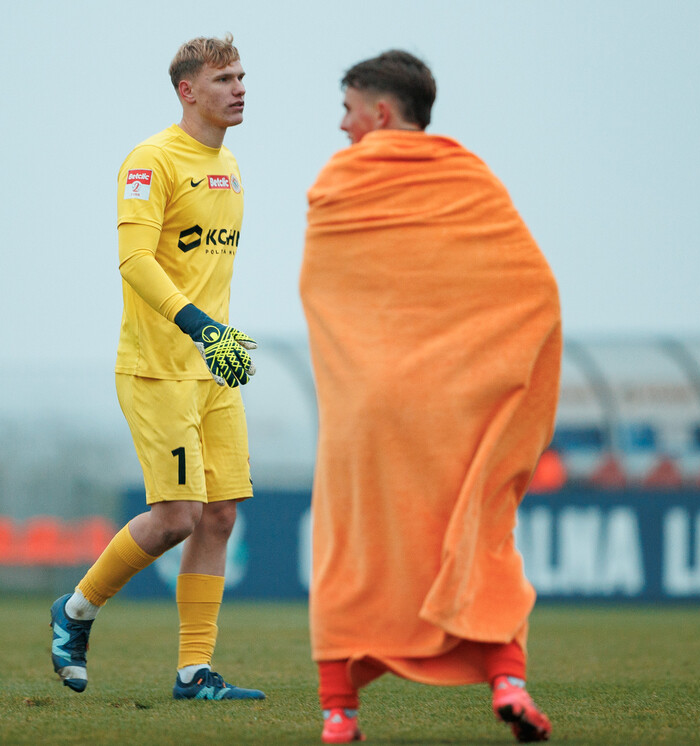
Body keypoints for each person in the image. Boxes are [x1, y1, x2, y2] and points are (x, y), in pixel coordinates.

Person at [299, 50, 560, 743]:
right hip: (459, 410)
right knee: (480, 532)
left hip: (371, 407)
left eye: (349, 111)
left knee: (351, 544)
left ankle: (338, 714)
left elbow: (326, 286)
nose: (342, 127)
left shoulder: (343, 179)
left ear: (381, 114)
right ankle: (508, 681)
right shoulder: (473, 178)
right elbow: (531, 290)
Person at [50, 34, 264, 702]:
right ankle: (74, 611)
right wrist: (200, 327)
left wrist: (220, 337)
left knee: (221, 516)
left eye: (242, 76)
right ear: (187, 90)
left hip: (211, 370)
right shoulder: (150, 161)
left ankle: (193, 672)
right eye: (225, 78)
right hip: (157, 368)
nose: (239, 88)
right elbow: (136, 262)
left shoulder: (228, 167)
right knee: (178, 517)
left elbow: (204, 270)